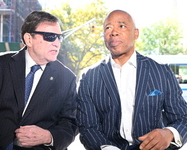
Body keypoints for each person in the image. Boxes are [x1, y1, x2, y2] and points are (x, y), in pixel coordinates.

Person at [76, 9, 187, 150]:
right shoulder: (89, 77)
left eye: (121, 26)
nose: (113, 32)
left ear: (136, 33)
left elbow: (182, 117)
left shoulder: (161, 72)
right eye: (108, 28)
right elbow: (87, 127)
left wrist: (170, 133)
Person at [0, 11, 77, 150]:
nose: (56, 43)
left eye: (59, 37)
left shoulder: (67, 78)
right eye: (50, 37)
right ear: (29, 39)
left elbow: (70, 123)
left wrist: (48, 137)